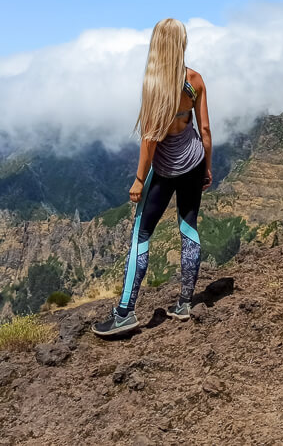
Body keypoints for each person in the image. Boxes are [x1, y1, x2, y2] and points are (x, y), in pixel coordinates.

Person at [92, 18, 212, 337]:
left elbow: (149, 138)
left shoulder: (155, 85)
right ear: (181, 44)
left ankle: (125, 313)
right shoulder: (194, 81)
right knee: (188, 227)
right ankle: (185, 303)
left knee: (141, 235)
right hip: (194, 162)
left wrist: (137, 179)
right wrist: (208, 167)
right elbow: (206, 131)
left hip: (163, 170)